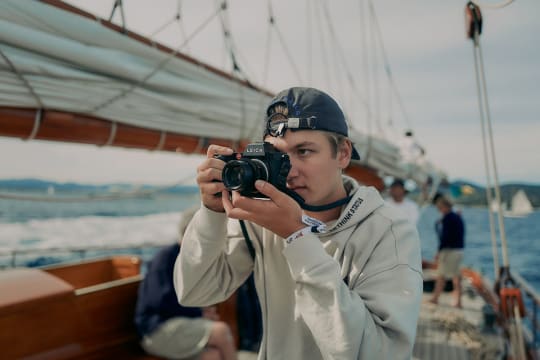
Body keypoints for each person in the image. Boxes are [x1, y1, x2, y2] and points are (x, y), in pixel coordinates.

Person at [175, 87, 423, 359]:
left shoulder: (389, 231)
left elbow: (378, 353)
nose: (289, 170)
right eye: (278, 155)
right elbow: (195, 292)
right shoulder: (260, 220)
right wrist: (211, 214)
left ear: (342, 153)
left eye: (303, 151)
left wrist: (296, 236)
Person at [135, 208, 237, 360]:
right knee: (220, 331)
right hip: (156, 331)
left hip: (178, 325)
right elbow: (160, 301)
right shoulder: (165, 258)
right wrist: (199, 313)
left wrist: (203, 311)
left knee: (212, 356)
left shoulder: (190, 257)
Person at [429, 195, 465, 308]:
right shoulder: (456, 217)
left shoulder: (447, 218)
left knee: (441, 275)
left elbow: (445, 238)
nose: (438, 209)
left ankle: (435, 298)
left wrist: (438, 252)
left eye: (439, 207)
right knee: (456, 276)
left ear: (444, 206)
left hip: (449, 251)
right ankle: (458, 301)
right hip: (458, 250)